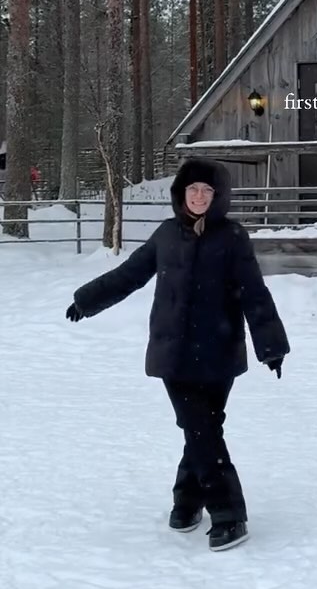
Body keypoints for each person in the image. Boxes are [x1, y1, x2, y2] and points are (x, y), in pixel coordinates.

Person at [65, 157, 290, 552]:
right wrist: (87, 300)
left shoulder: (233, 237)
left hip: (220, 352)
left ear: (217, 196)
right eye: (193, 190)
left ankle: (187, 501)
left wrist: (270, 346)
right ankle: (229, 513)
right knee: (200, 429)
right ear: (181, 194)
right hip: (174, 354)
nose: (200, 196)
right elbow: (129, 275)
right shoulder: (166, 235)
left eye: (207, 190)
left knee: (203, 430)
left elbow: (254, 293)